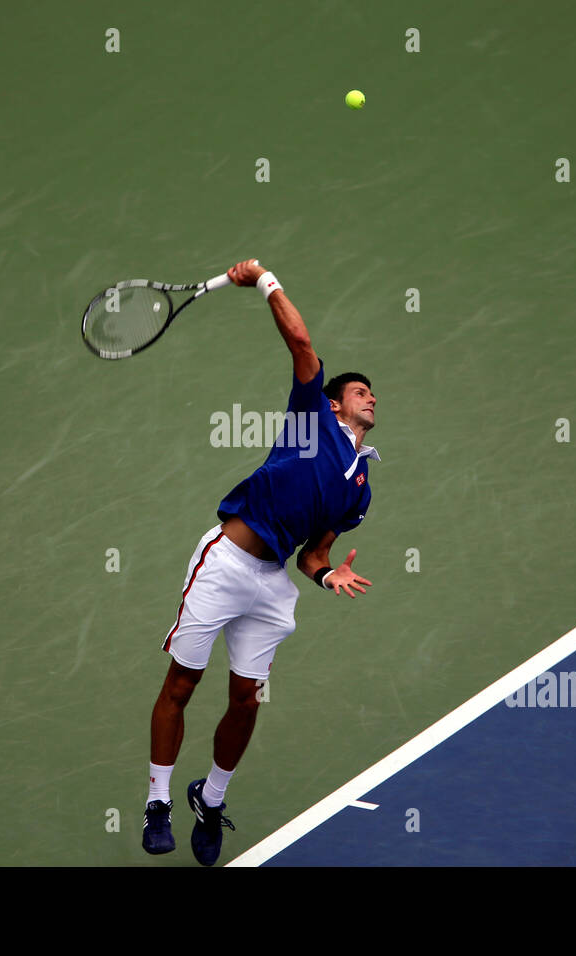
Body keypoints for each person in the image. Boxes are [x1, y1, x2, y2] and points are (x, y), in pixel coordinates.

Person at [141, 259, 382, 865]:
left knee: (246, 699)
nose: (371, 397)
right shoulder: (310, 420)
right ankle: (157, 803)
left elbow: (314, 554)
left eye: (373, 395)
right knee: (182, 683)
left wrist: (329, 572)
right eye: (359, 391)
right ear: (331, 405)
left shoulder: (360, 489)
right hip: (226, 565)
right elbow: (300, 340)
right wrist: (265, 280)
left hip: (272, 585)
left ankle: (211, 799)